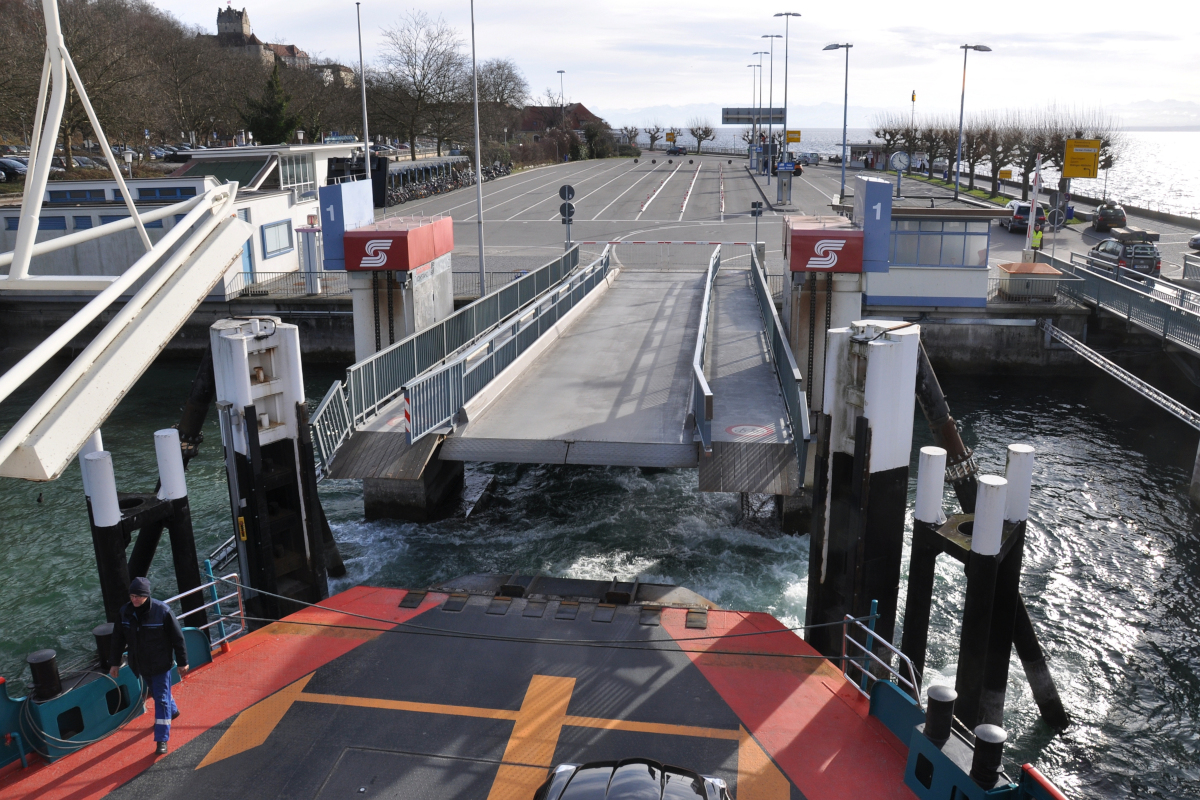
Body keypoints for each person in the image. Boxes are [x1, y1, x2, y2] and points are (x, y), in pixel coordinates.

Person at [109, 577, 189, 756]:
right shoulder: (125, 613)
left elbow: (178, 638)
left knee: (160, 699)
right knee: (157, 692)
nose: (134, 599)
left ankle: (162, 739)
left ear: (146, 595)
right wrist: (114, 662)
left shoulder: (163, 612)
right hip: (140, 664)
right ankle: (173, 711)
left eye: (138, 596)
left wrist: (183, 662)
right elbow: (117, 639)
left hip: (160, 664)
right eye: (132, 596)